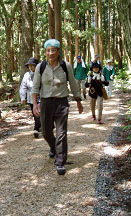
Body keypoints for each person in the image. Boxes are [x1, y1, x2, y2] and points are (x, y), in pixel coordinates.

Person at [31, 39, 83, 175]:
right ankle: (54, 147)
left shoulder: (66, 65)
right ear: (45, 52)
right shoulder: (40, 67)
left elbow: (73, 83)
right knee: (46, 131)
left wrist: (78, 100)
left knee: (61, 132)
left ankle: (60, 162)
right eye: (48, 50)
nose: (51, 53)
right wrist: (35, 104)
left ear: (59, 51)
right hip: (46, 102)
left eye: (53, 50)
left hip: (61, 102)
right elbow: (35, 87)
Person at [19, 57, 41, 138]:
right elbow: (23, 86)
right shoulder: (26, 75)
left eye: (33, 65)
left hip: (41, 96)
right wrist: (22, 97)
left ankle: (36, 129)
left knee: (39, 112)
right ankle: (40, 125)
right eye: (29, 66)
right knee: (34, 113)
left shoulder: (41, 74)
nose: (31, 67)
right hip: (31, 97)